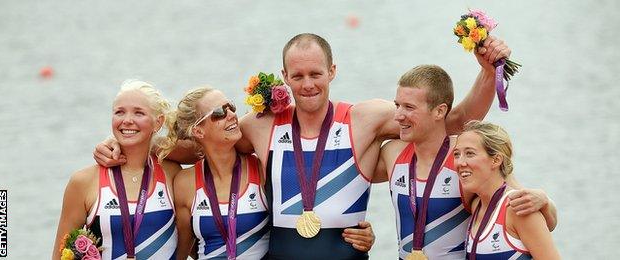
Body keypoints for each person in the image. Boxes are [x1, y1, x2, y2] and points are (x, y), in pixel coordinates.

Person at [95, 33, 505, 259]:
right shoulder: (259, 126)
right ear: (284, 77)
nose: (308, 84)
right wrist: (124, 147)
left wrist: (487, 73)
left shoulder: (365, 118)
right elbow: (197, 145)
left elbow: (451, 120)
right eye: (298, 75)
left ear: (332, 71)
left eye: (316, 73)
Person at [373, 65, 557, 259]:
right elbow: (355, 177)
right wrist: (364, 232)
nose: (398, 116)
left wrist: (545, 201)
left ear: (439, 111)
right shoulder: (392, 152)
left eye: (409, 107)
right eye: (397, 105)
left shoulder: (467, 158)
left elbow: (522, 205)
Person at [52, 80, 181, 259]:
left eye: (139, 112)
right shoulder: (83, 182)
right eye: (119, 112)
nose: (127, 120)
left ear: (158, 122)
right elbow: (59, 256)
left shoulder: (172, 174)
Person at [159, 86, 270, 259]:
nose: (232, 115)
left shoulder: (260, 169)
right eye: (220, 112)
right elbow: (182, 250)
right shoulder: (185, 183)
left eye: (231, 107)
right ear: (198, 131)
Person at [454, 120, 560, 259]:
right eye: (456, 154)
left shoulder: (518, 208)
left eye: (470, 153)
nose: (460, 162)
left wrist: (546, 201)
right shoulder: (477, 205)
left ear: (496, 160)